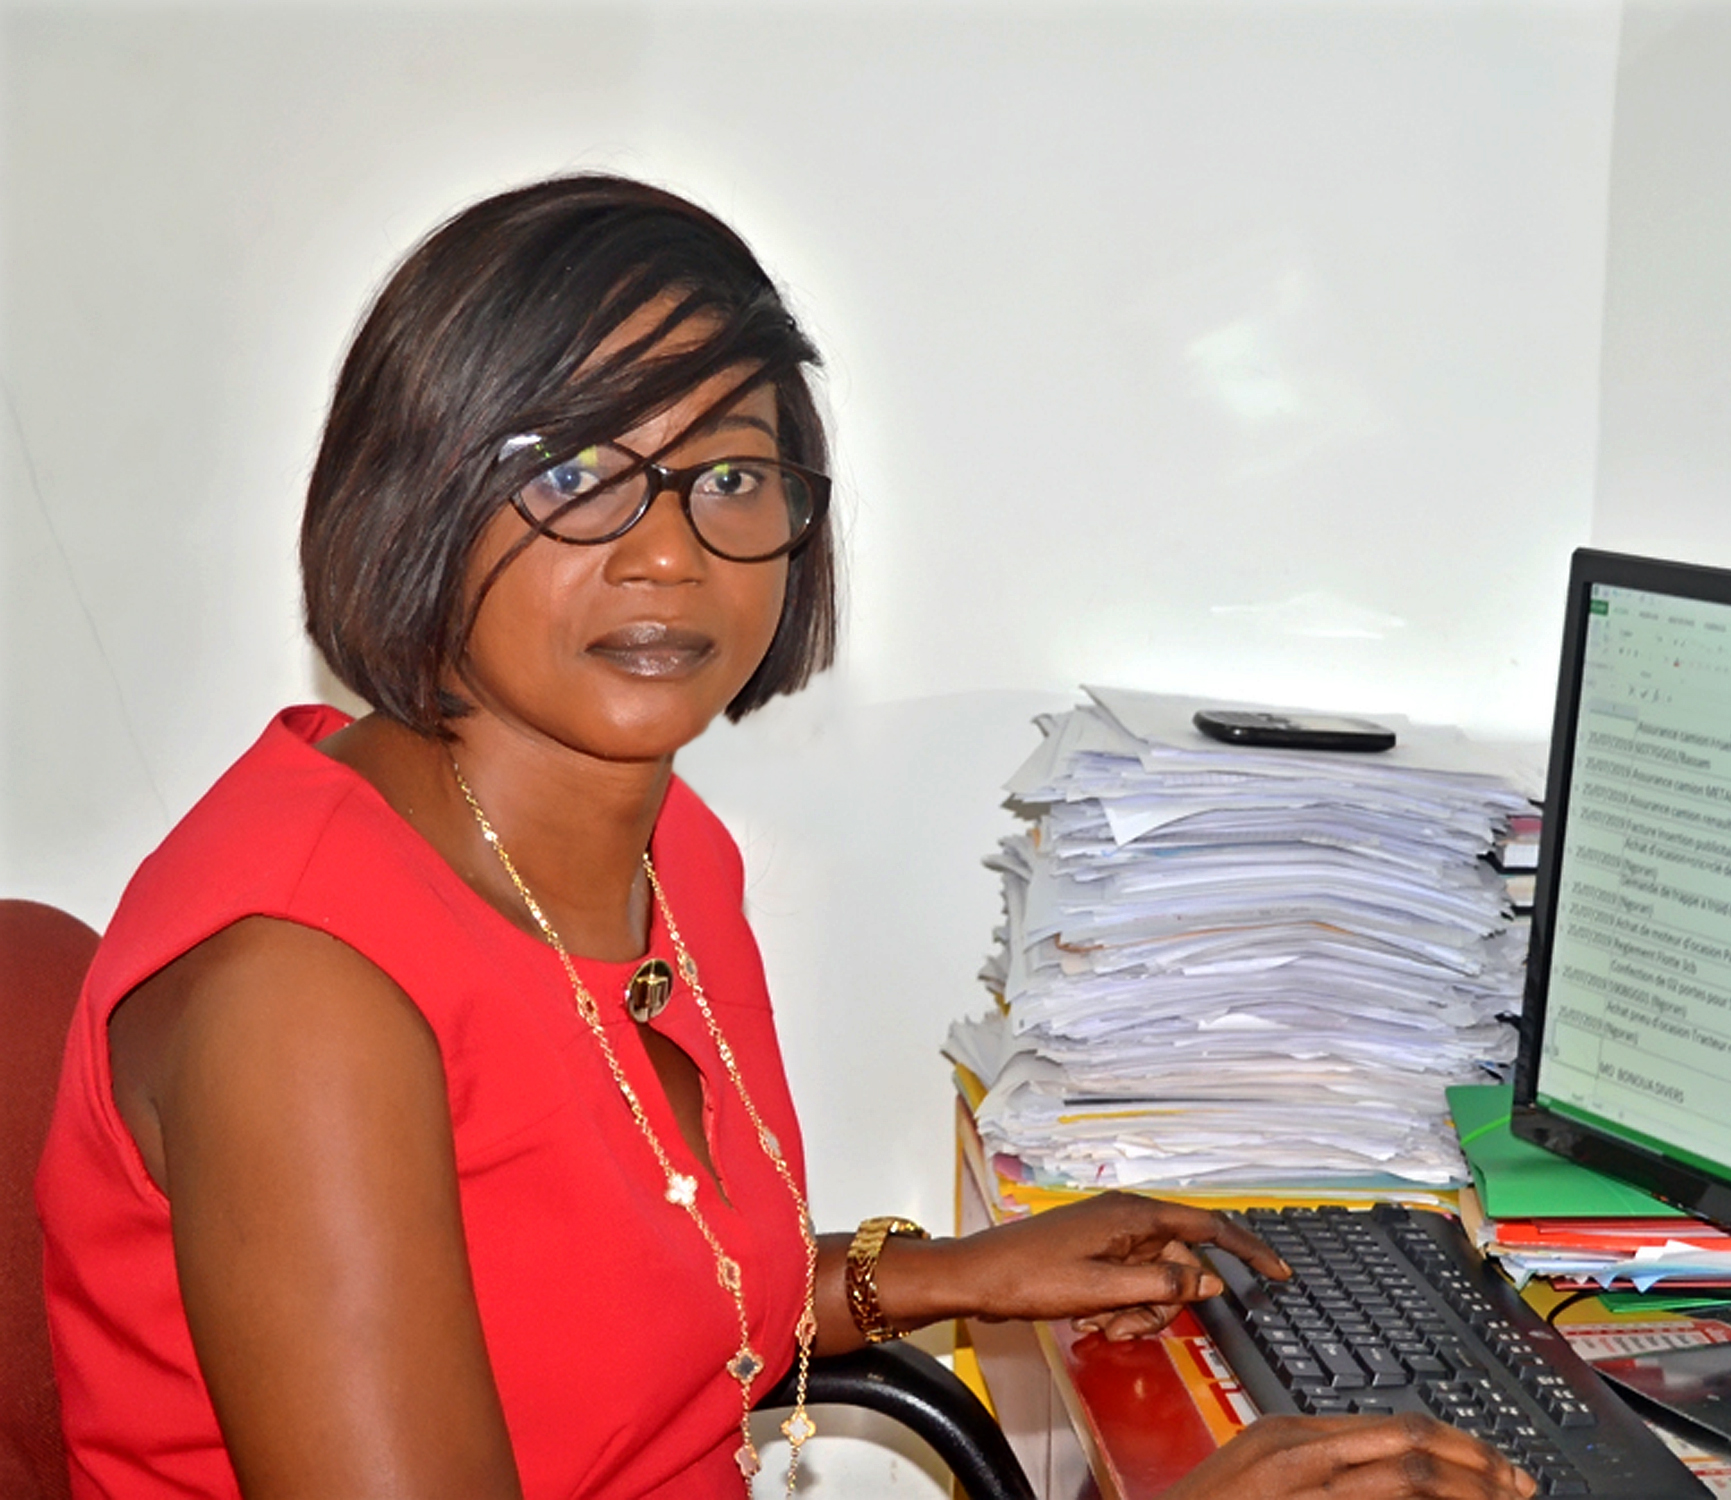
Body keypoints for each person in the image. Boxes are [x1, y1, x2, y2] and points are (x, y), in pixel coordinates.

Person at [37, 175, 1535, 1500]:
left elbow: (599, 1312)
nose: (667, 551)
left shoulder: (670, 852)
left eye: (731, 476)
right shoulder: (304, 1001)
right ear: (418, 494)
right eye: (574, 475)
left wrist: (928, 1276)